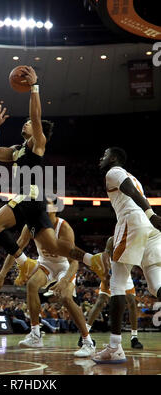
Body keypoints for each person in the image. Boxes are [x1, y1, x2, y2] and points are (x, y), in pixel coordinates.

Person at [0, 66, 109, 288]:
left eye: (28, 123)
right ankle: (93, 259)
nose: (25, 123)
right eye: (25, 122)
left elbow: (36, 116)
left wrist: (34, 87)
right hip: (32, 201)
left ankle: (23, 263)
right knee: (53, 246)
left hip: (29, 197)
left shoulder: (37, 143)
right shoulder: (17, 149)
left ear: (36, 130)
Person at [0, 198, 96, 357]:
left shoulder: (64, 228)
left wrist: (64, 280)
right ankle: (35, 334)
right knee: (32, 285)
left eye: (47, 204)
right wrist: (1, 275)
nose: (43, 207)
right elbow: (15, 249)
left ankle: (88, 342)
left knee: (66, 298)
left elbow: (74, 262)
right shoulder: (31, 225)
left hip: (64, 266)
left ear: (55, 209)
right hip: (45, 264)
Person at [93, 147, 161, 364]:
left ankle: (114, 348)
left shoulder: (114, 172)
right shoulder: (133, 176)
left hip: (134, 222)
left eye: (104, 155)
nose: (101, 158)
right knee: (156, 284)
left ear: (113, 158)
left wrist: (151, 213)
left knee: (117, 284)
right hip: (149, 229)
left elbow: (129, 189)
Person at [80, 236, 143, 350]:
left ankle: (134, 337)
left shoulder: (134, 237)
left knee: (132, 303)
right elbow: (105, 255)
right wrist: (105, 274)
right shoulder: (113, 239)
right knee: (100, 302)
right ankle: (85, 334)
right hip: (111, 271)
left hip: (125, 273)